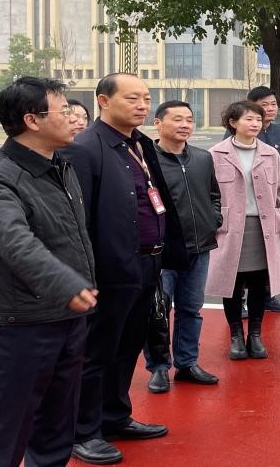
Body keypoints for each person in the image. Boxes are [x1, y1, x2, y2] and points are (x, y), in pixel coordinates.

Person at [0, 77, 98, 467]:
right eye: (64, 111)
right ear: (32, 120)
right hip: (20, 324)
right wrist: (66, 284)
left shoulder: (60, 166)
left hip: (67, 317)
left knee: (56, 431)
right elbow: (14, 241)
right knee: (4, 434)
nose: (75, 118)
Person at [64, 73, 185, 465]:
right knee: (97, 352)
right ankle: (84, 432)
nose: (142, 105)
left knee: (127, 346)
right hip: (109, 269)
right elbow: (77, 220)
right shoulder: (86, 148)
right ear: (103, 101)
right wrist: (84, 274)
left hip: (147, 262)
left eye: (146, 98)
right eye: (132, 98)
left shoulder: (138, 143)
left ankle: (115, 417)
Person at [143, 100, 223, 393]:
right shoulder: (146, 161)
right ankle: (159, 367)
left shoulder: (202, 158)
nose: (185, 125)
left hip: (199, 247)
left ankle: (187, 363)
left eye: (189, 119)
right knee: (157, 311)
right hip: (162, 251)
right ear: (158, 123)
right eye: (177, 119)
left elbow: (214, 195)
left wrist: (213, 219)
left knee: (191, 308)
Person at [208, 101, 280, 360]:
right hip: (229, 229)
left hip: (262, 227)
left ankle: (255, 335)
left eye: (258, 119)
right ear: (233, 122)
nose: (255, 123)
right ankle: (236, 335)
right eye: (249, 119)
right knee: (232, 283)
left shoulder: (270, 154)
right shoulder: (215, 154)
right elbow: (206, 193)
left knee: (259, 283)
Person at [247, 86, 280, 313]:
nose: (270, 109)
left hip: (274, 203)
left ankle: (268, 296)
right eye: (264, 104)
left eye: (273, 104)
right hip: (250, 204)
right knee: (247, 254)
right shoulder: (241, 132)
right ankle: (241, 299)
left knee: (272, 250)